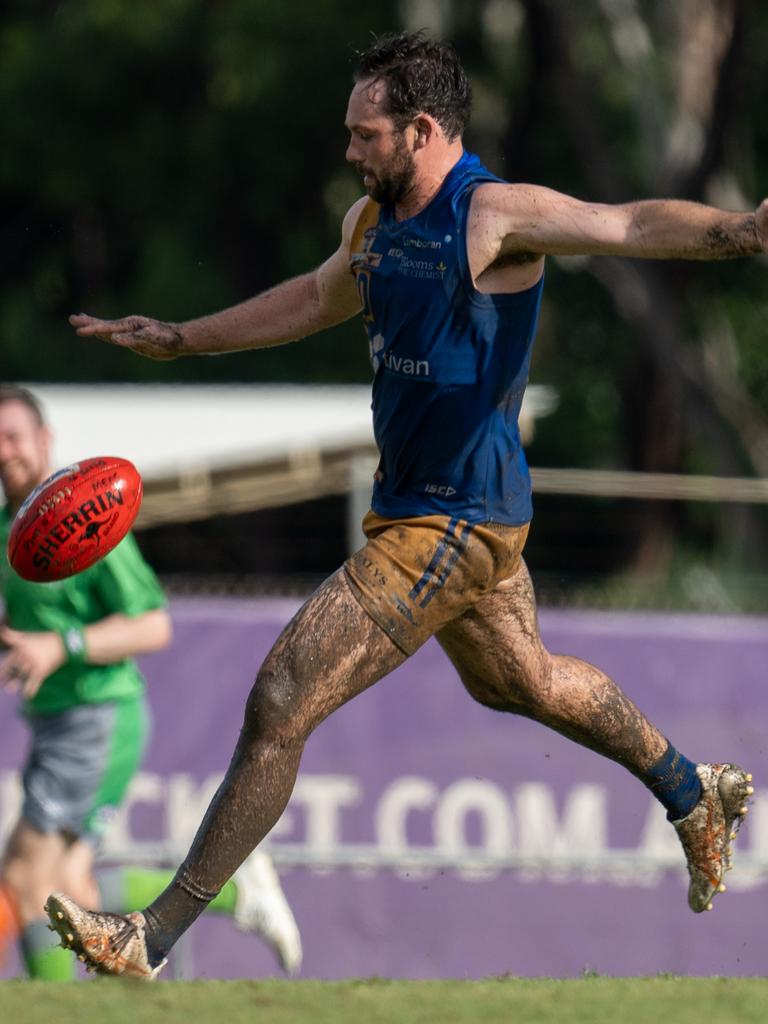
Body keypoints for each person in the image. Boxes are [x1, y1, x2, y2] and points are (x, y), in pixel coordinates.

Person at [45, 31, 760, 979]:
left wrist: (743, 232)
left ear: (421, 130)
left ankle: (153, 935)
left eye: (365, 133)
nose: (350, 150)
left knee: (283, 699)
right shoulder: (371, 225)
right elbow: (309, 300)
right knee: (523, 682)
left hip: (453, 519)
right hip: (431, 510)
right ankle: (691, 789)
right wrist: (182, 338)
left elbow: (626, 224)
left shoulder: (495, 213)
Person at [0, 385, 302, 978]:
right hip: (57, 720)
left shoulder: (81, 518)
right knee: (65, 887)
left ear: (44, 440)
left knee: (25, 878)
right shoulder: (12, 528)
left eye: (13, 436)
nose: (4, 450)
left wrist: (63, 646)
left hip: (98, 717)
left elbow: (153, 625)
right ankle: (237, 896)